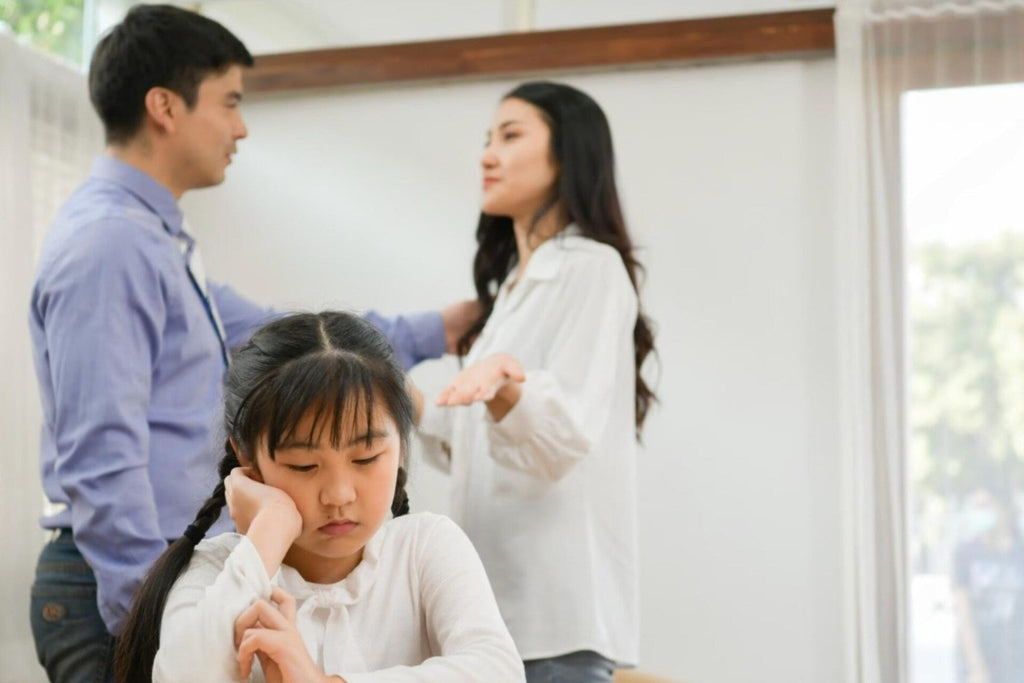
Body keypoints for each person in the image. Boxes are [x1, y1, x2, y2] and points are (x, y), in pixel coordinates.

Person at [27, 5, 475, 682]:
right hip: (118, 587)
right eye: (229, 102)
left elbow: (284, 335)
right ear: (164, 106)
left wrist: (441, 327)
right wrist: (149, 627)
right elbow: (101, 458)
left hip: (164, 582)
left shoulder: (157, 241)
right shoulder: (112, 245)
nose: (240, 127)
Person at [113, 311, 525, 683]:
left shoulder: (425, 548)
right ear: (246, 457)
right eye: (303, 466)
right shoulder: (218, 574)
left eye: (365, 458)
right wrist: (269, 530)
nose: (339, 495)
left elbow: (497, 669)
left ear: (401, 442)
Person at [412, 81, 657, 682]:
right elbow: (468, 442)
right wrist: (395, 389)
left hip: (554, 618)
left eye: (511, 136)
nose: (487, 155)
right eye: (487, 140)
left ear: (568, 155)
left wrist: (505, 385)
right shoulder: (517, 290)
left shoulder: (592, 270)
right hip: (488, 614)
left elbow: (561, 433)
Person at [953, 485, 1024, 683]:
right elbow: (964, 613)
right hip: (978, 665)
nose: (981, 512)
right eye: (978, 506)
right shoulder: (966, 554)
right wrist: (977, 668)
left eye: (986, 505)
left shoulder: (1020, 553)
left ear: (1006, 510)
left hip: (1016, 664)